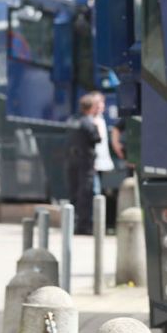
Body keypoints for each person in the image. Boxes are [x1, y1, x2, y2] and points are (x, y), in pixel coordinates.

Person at [65, 94, 101, 235]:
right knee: (85, 194)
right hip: (85, 163)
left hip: (71, 162)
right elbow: (97, 138)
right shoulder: (88, 123)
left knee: (73, 193)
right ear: (91, 108)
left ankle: (73, 224)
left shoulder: (72, 120)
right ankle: (83, 226)